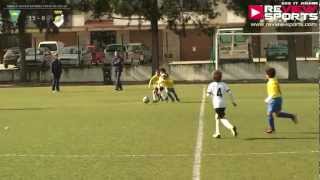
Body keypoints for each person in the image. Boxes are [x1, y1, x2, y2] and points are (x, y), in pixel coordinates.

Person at [264, 67, 297, 134]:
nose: (265, 75)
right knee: (278, 114)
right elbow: (278, 89)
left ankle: (272, 129)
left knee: (269, 113)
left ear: (268, 74)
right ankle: (292, 116)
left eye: (266, 74)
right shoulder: (274, 80)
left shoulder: (271, 82)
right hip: (278, 99)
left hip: (274, 99)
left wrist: (267, 99)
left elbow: (274, 92)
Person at [207, 70, 238, 138]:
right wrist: (233, 102)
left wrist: (213, 97)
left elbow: (208, 95)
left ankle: (231, 127)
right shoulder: (224, 84)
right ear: (221, 77)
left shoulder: (211, 85)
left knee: (221, 118)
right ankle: (218, 133)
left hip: (217, 104)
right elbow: (230, 93)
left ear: (213, 77)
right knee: (217, 116)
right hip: (223, 104)